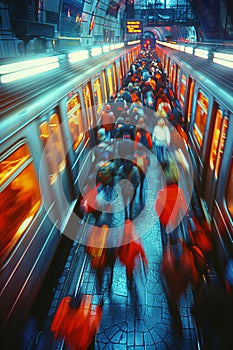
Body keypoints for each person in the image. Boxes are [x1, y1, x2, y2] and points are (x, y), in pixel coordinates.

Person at [118, 219, 148, 287]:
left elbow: (118, 248)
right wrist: (145, 260)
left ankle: (129, 280)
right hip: (130, 260)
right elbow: (141, 250)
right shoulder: (135, 239)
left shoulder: (122, 236)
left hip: (125, 259)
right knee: (130, 270)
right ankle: (130, 281)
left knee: (128, 271)